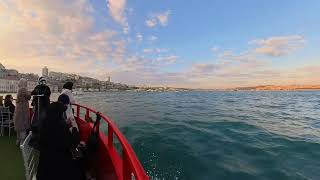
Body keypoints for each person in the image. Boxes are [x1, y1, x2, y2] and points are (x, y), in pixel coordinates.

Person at [37, 102, 85, 180]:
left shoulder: (45, 125)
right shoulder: (60, 128)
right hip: (57, 168)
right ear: (58, 114)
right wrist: (73, 128)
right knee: (79, 159)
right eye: (62, 113)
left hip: (44, 167)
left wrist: (65, 124)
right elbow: (72, 144)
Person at [29, 77, 51, 149]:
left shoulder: (41, 88)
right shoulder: (46, 88)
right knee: (40, 121)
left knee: (39, 121)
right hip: (42, 107)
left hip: (41, 107)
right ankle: (39, 137)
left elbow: (33, 94)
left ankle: (38, 137)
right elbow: (34, 94)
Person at [13, 78, 31, 145]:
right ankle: (22, 142)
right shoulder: (23, 89)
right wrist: (30, 93)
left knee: (18, 125)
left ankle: (18, 140)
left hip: (18, 109)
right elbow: (28, 97)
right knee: (23, 125)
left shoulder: (19, 89)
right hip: (23, 109)